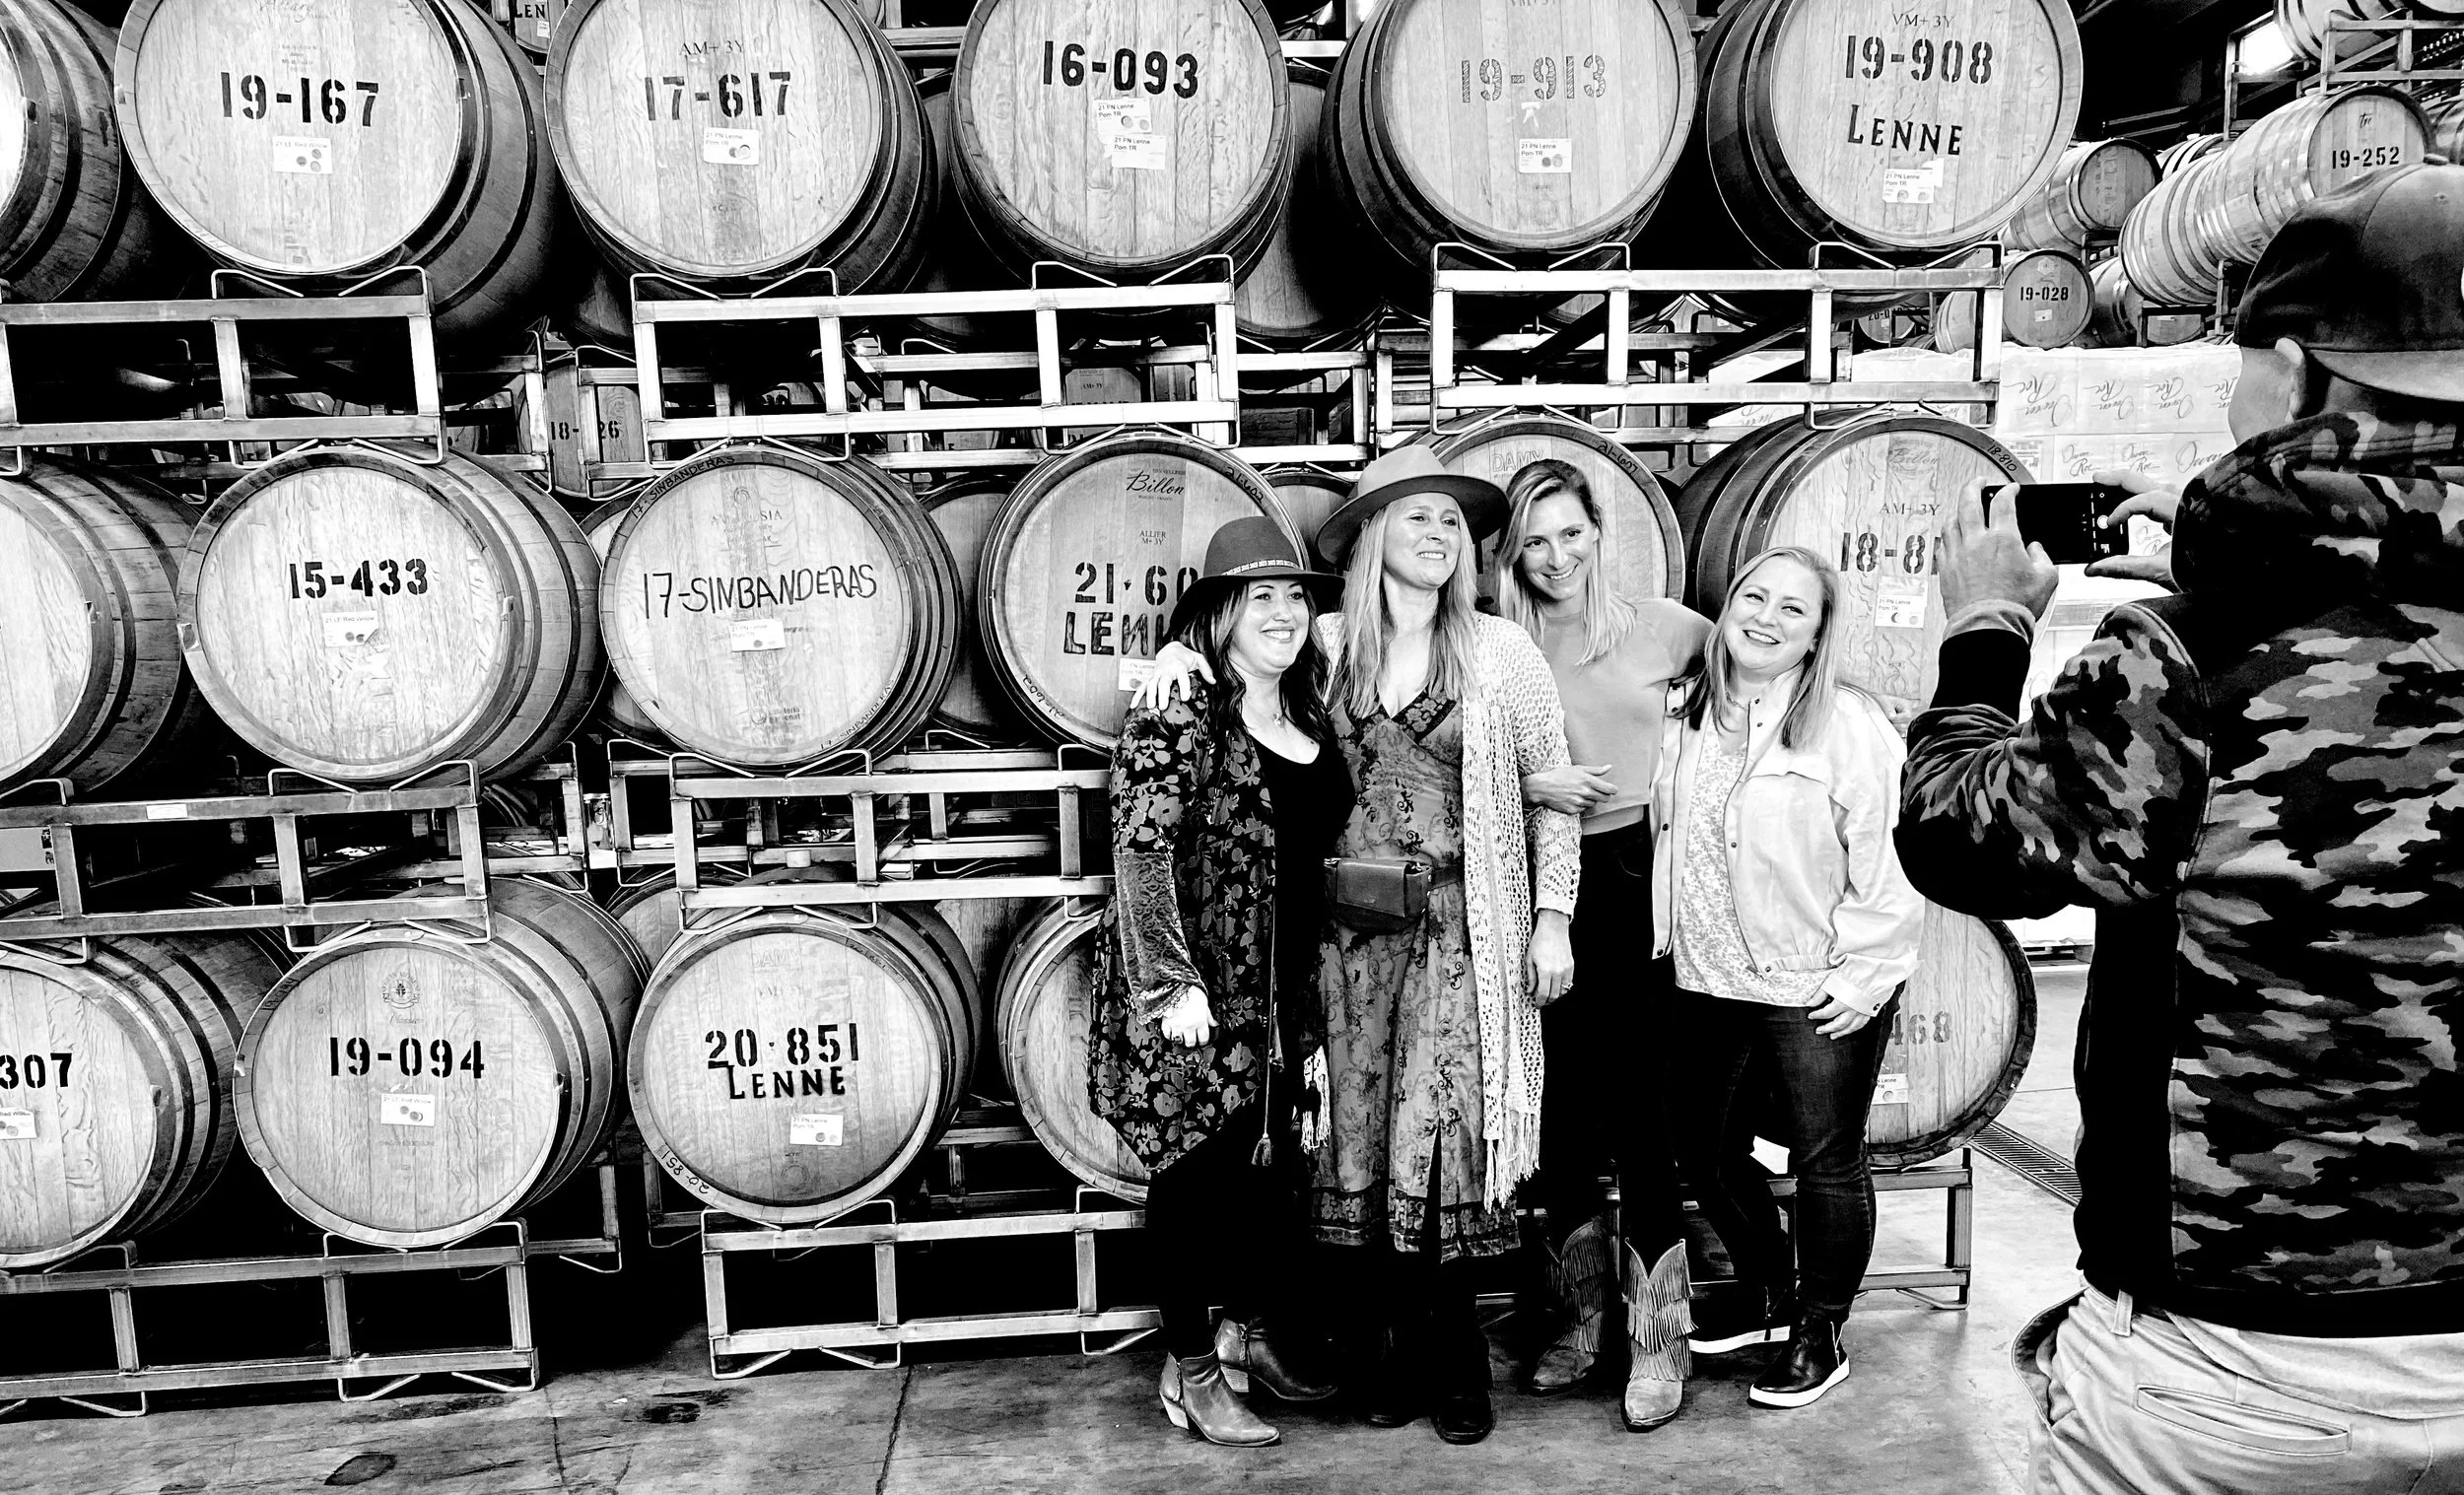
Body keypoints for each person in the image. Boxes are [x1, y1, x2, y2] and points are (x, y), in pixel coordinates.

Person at [1898, 164, 2464, 1494]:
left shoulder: (2190, 658)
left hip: (2240, 1354)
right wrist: (2247, 558)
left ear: (2293, 371)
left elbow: (1965, 840)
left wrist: (1986, 630)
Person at [1131, 444, 1582, 1445]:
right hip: (1338, 945)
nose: (1438, 533)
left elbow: (1553, 790)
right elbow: (1232, 677)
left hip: (1461, 933)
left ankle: (1456, 1357)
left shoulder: (1502, 650)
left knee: (1448, 1137)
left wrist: (1553, 913)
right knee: (1357, 1142)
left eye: (1452, 521)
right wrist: (1172, 656)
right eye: (1417, 515)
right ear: (1373, 534)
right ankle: (1385, 1348)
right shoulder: (1325, 641)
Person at [1090, 516, 1347, 1449]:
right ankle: (1192, 1371)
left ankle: (1244, 1336)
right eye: (1259, 595)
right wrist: (1169, 983)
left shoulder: (1307, 705)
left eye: (1296, 595)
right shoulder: (1181, 706)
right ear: (1219, 614)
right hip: (1203, 989)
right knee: (1193, 1185)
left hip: (1284, 992)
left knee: (1262, 1178)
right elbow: (1140, 847)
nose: (1283, 612)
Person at [1651, 544, 1924, 1409]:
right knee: (1704, 1150)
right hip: (1707, 974)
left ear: (1816, 634)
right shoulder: (1686, 708)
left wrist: (1866, 975)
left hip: (1812, 978)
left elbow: (1891, 858)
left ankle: (1820, 1330)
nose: (1765, 618)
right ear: (1728, 605)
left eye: (1792, 609)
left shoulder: (1846, 723)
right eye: (1754, 597)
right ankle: (1768, 1292)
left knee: (1825, 1161)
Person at [1492, 458, 1712, 1430]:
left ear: (1599, 531)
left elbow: (1779, 657)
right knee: (1558, 1115)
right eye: (1534, 540)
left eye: (1571, 534)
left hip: (1631, 877)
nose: (1555, 557)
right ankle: (1581, 1323)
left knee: (1644, 1117)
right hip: (1528, 884)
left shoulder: (1663, 626)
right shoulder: (1491, 642)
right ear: (1511, 552)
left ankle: (1659, 1341)